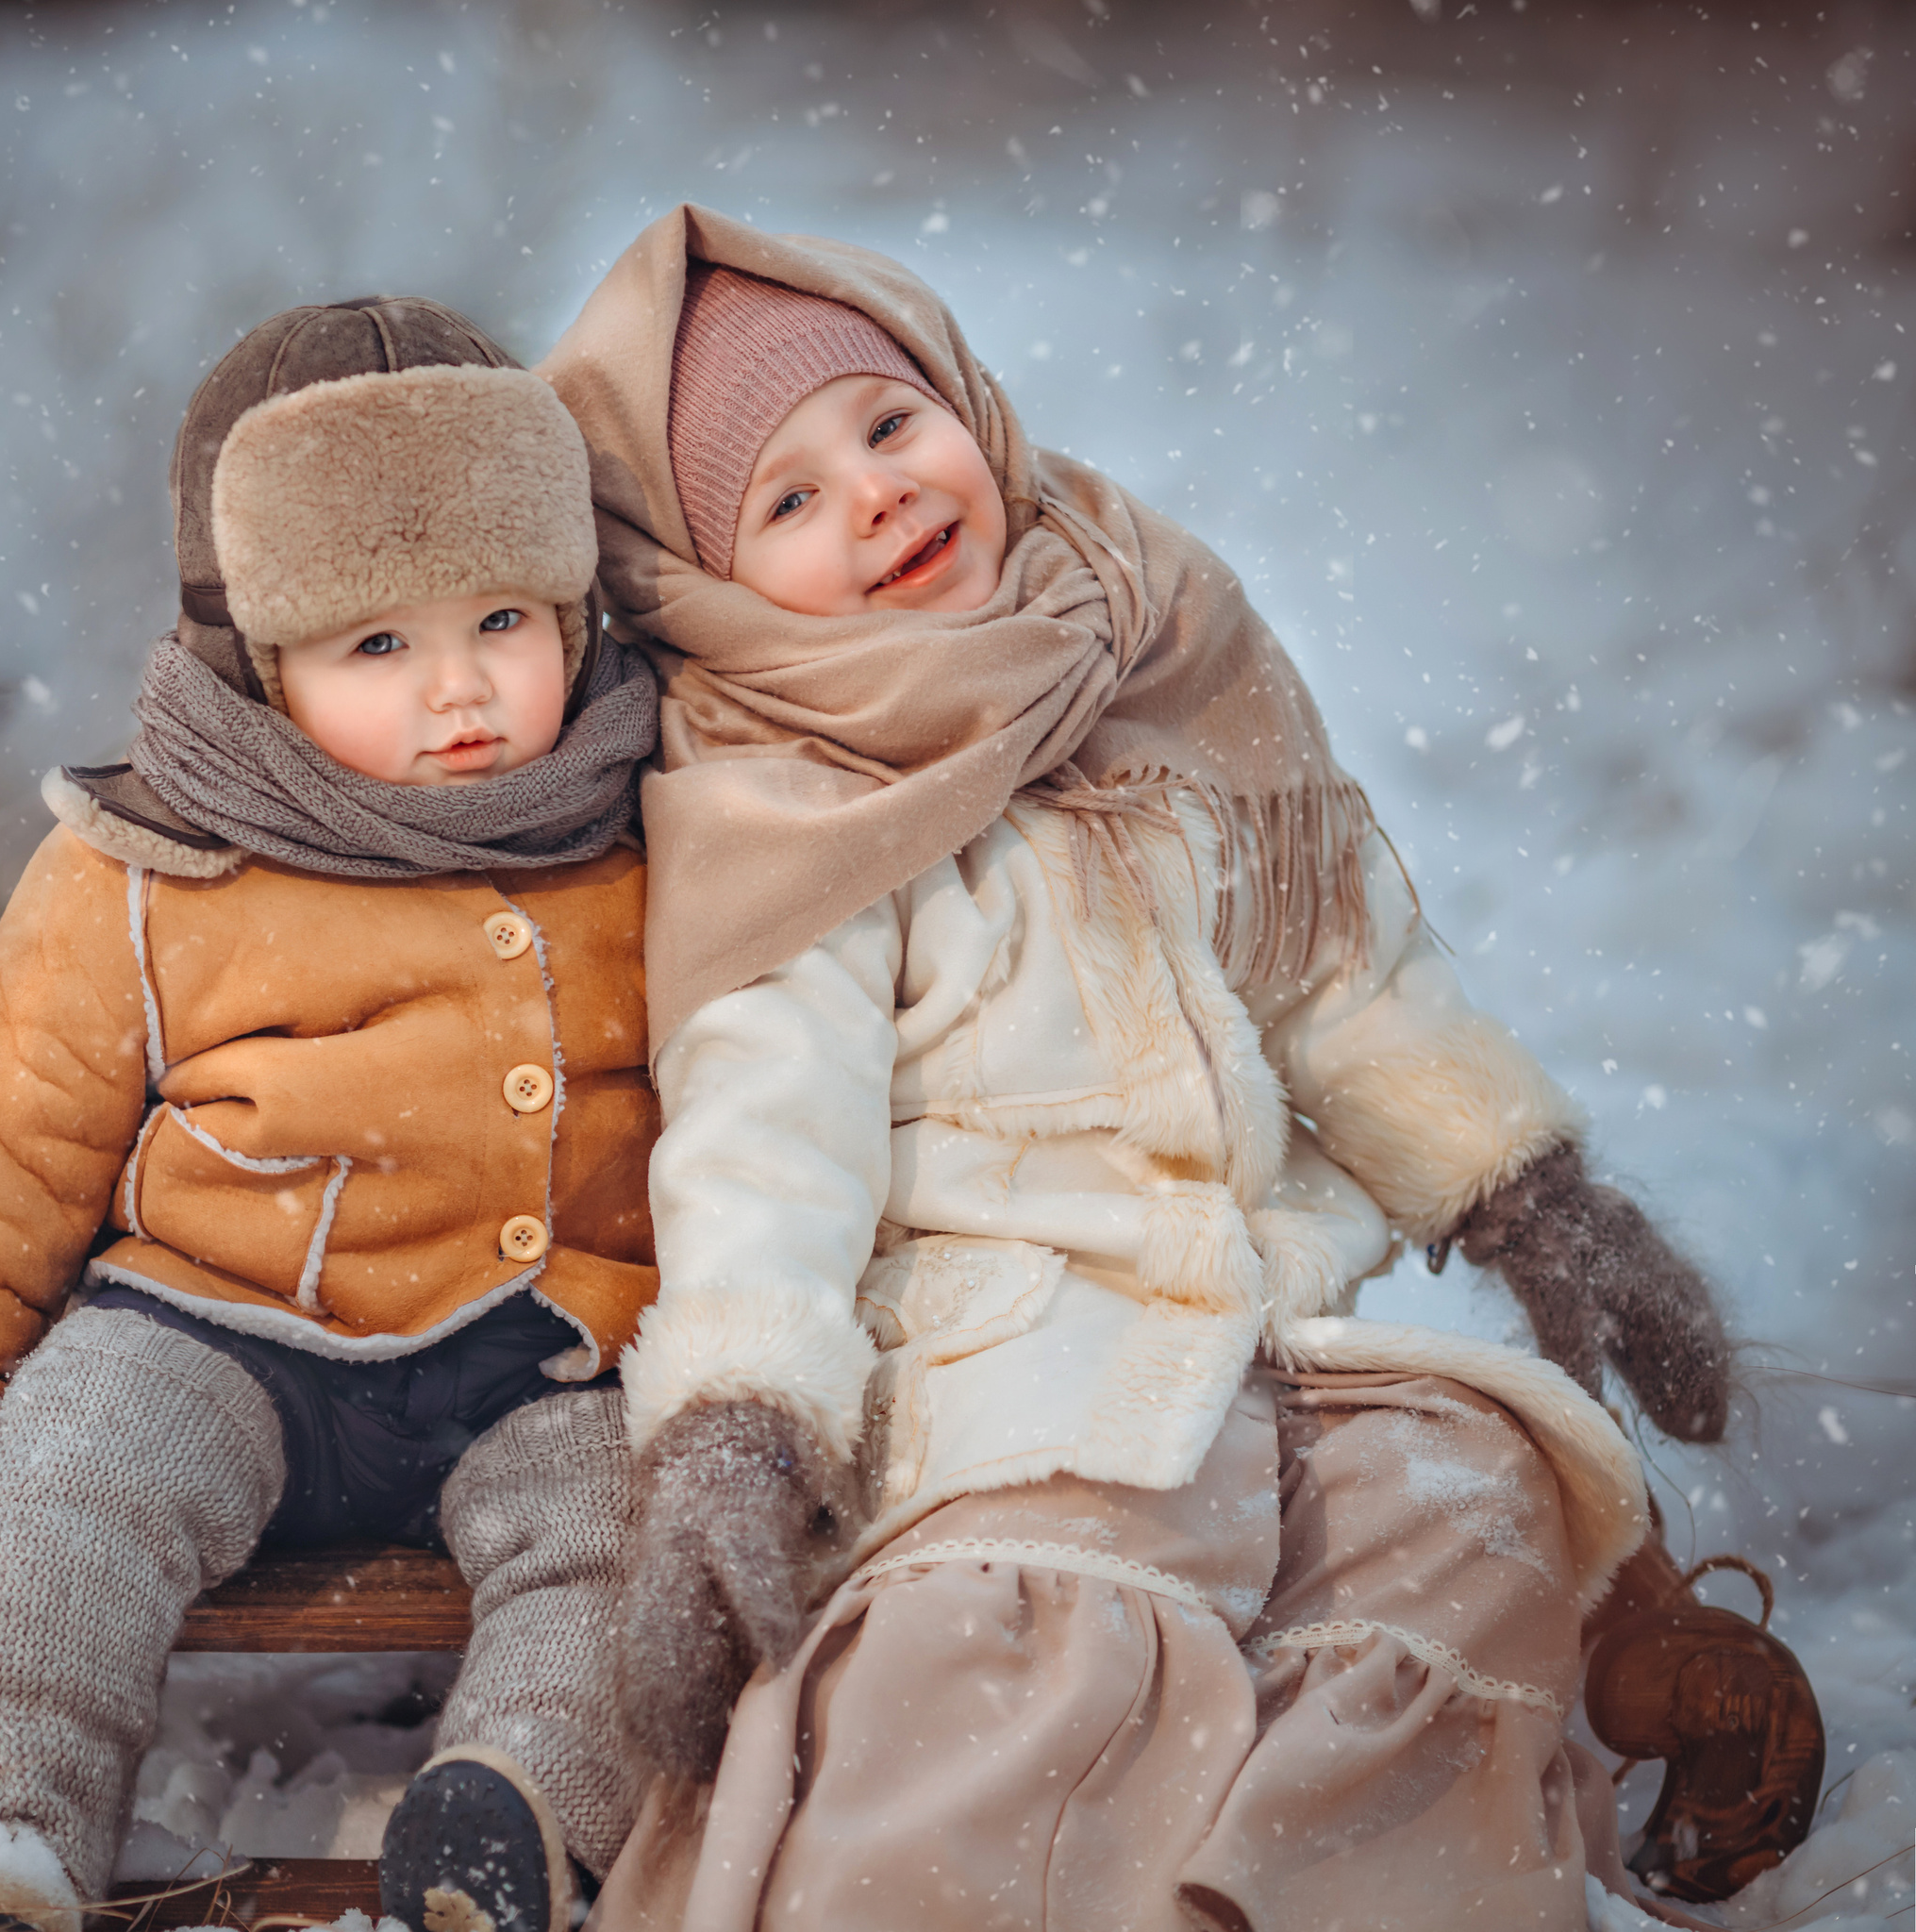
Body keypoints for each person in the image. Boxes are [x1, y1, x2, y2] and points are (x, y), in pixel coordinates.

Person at [539, 207, 1739, 1930]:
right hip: (1005, 1345)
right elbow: (765, 1143)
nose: (877, 493)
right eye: (787, 501)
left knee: (1462, 1522)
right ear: (713, 584)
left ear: (969, 403)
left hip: (1266, 1320)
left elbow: (1335, 971)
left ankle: (1318, 1885)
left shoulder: (1150, 649)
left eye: (889, 424)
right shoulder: (780, 799)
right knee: (1031, 1634)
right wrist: (739, 1419)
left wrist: (1524, 1188)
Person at [0, 298, 659, 1932]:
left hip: (550, 1350)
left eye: (504, 619)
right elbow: (9, 1140)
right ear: (263, 662)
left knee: (628, 1539)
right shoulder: (151, 858)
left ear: (577, 612)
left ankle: (509, 1821)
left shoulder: (654, 822)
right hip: (214, 1322)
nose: (460, 690)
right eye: (377, 645)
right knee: (52, 1496)